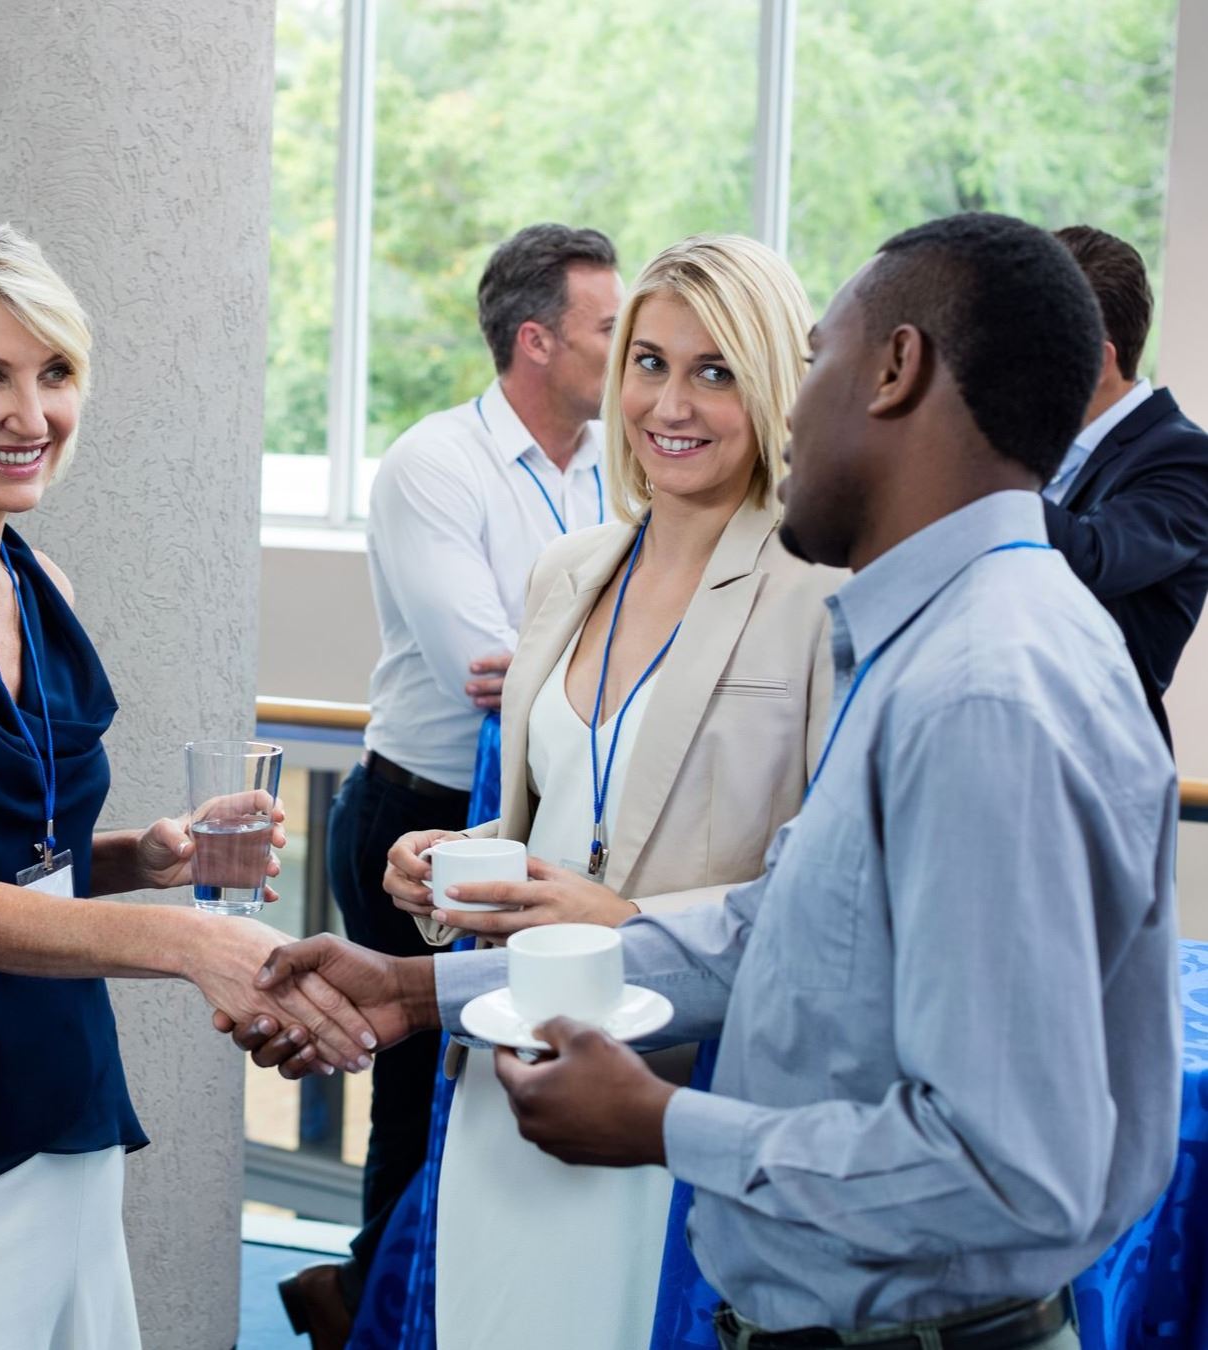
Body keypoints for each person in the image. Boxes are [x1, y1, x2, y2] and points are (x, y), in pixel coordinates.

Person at [230, 214, 1181, 1349]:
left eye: (808, 357)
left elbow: (1013, 1164)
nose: (789, 404)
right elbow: (781, 928)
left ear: (895, 372)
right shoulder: (957, 638)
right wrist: (415, 990)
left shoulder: (982, 686)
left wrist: (670, 1127)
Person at [0, 219, 376, 1349]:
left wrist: (141, 857)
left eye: (55, 375)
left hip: (62, 1088)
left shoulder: (44, 582)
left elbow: (4, 845)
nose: (31, 416)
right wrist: (191, 942)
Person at [376, 233, 839, 1349]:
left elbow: (827, 908)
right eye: (648, 361)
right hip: (510, 1073)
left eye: (716, 370)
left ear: (774, 382)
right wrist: (455, 860)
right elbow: (571, 823)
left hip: (673, 1102)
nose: (670, 402)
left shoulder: (822, 588)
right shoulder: (570, 569)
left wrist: (621, 922)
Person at [293, 222, 622, 1342]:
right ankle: (367, 1308)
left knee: (503, 1077)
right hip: (419, 814)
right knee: (417, 1079)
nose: (631, 356)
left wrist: (560, 657)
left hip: (553, 822)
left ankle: (400, 1294)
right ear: (537, 342)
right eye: (610, 330)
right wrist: (586, 656)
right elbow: (485, 671)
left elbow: (545, 667)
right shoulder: (436, 463)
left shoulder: (618, 471)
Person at [1044, 224, 1208, 751]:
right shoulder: (1040, 456)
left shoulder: (1185, 458)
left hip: (1093, 769)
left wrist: (983, 460)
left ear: (1097, 362)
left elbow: (1091, 559)